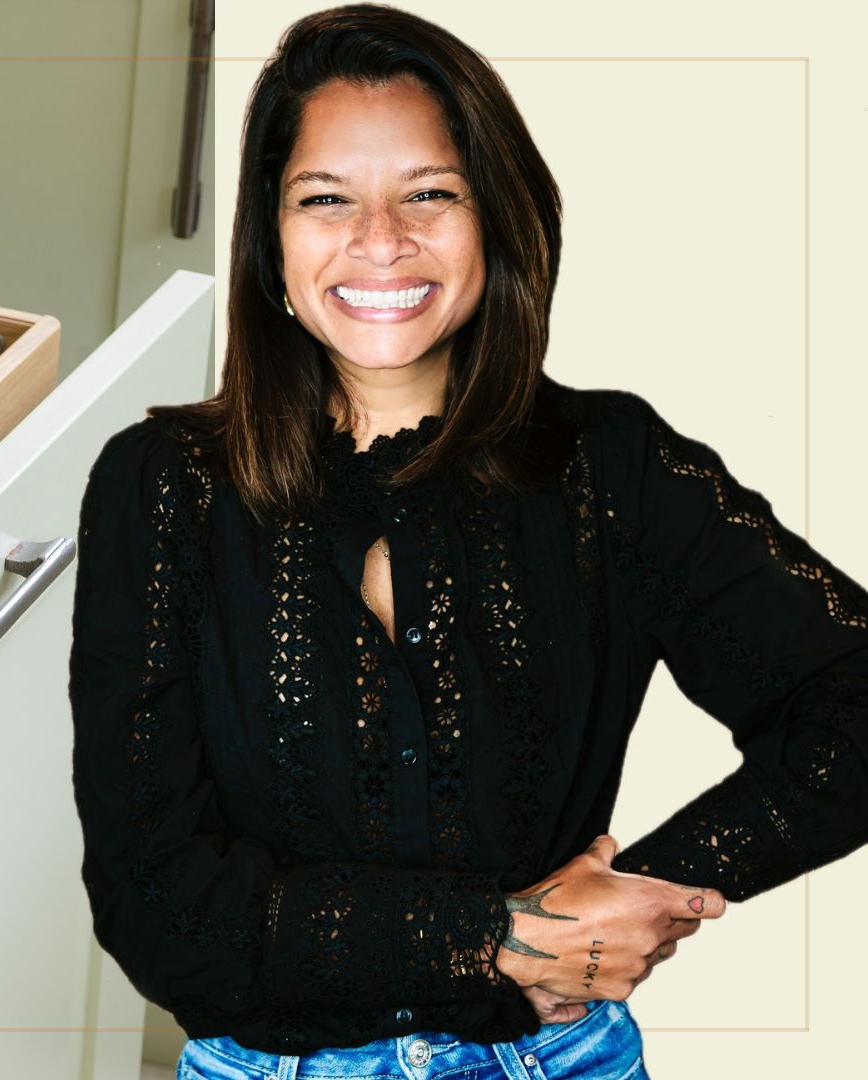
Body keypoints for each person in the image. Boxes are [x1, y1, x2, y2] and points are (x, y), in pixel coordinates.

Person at [67, 5, 868, 1079]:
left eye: (429, 194)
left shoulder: (610, 464)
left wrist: (642, 896)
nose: (380, 241)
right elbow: (155, 900)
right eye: (326, 200)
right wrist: (497, 938)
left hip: (561, 1058)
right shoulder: (158, 486)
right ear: (271, 238)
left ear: (497, 216)